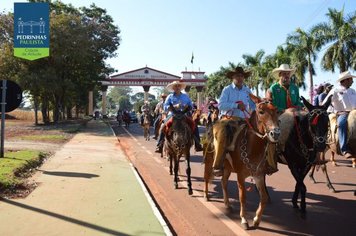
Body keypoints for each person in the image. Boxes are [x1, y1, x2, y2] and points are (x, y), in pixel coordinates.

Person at [155, 80, 203, 153]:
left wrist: (187, 106)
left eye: (178, 86)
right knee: (163, 126)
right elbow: (165, 106)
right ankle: (159, 145)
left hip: (184, 114)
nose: (177, 87)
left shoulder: (185, 96)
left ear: (180, 87)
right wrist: (174, 106)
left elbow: (191, 105)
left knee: (194, 125)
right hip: (173, 114)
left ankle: (198, 144)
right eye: (175, 86)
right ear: (173, 88)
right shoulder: (170, 96)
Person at [322, 71, 356, 159]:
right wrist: (335, 111)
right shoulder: (335, 91)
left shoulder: (353, 91)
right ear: (345, 80)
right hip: (343, 113)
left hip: (354, 112)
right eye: (351, 79)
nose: (352, 81)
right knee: (341, 123)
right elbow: (325, 103)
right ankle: (344, 149)